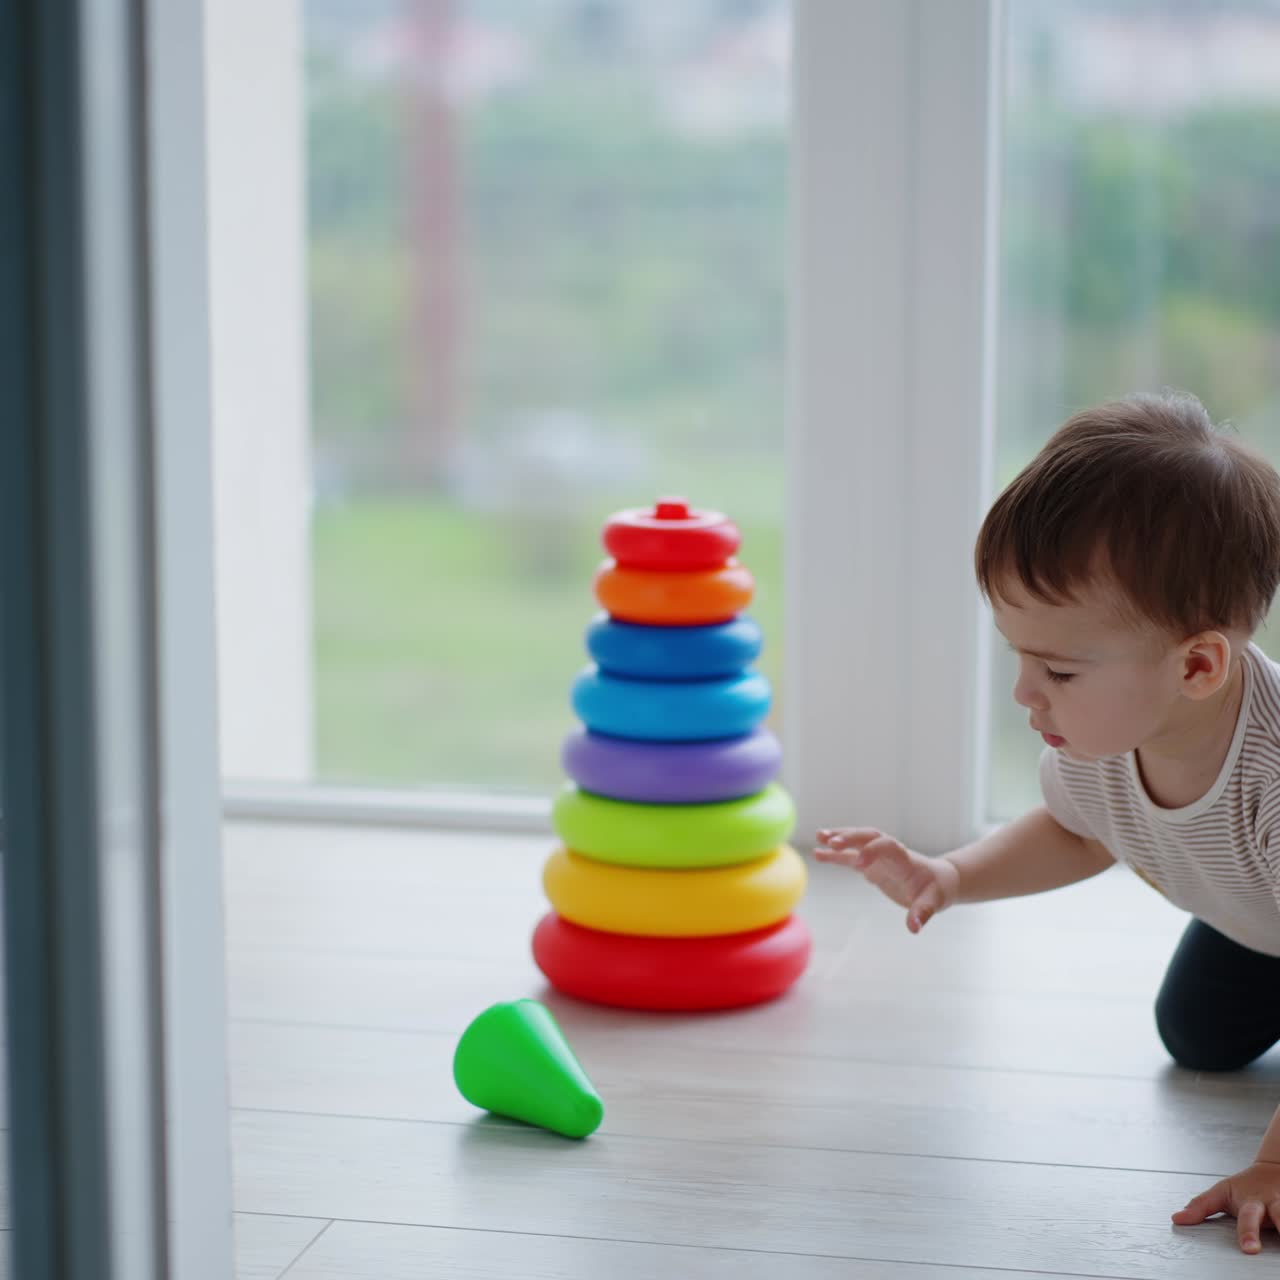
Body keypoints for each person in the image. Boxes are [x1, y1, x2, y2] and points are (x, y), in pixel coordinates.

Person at [816, 391, 1280, 1256]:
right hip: (1256, 918)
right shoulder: (1103, 736)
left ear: (1199, 665)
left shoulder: (1273, 780)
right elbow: (1077, 831)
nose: (1026, 694)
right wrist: (952, 876)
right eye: (1019, 658)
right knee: (1197, 1039)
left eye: (1058, 670)